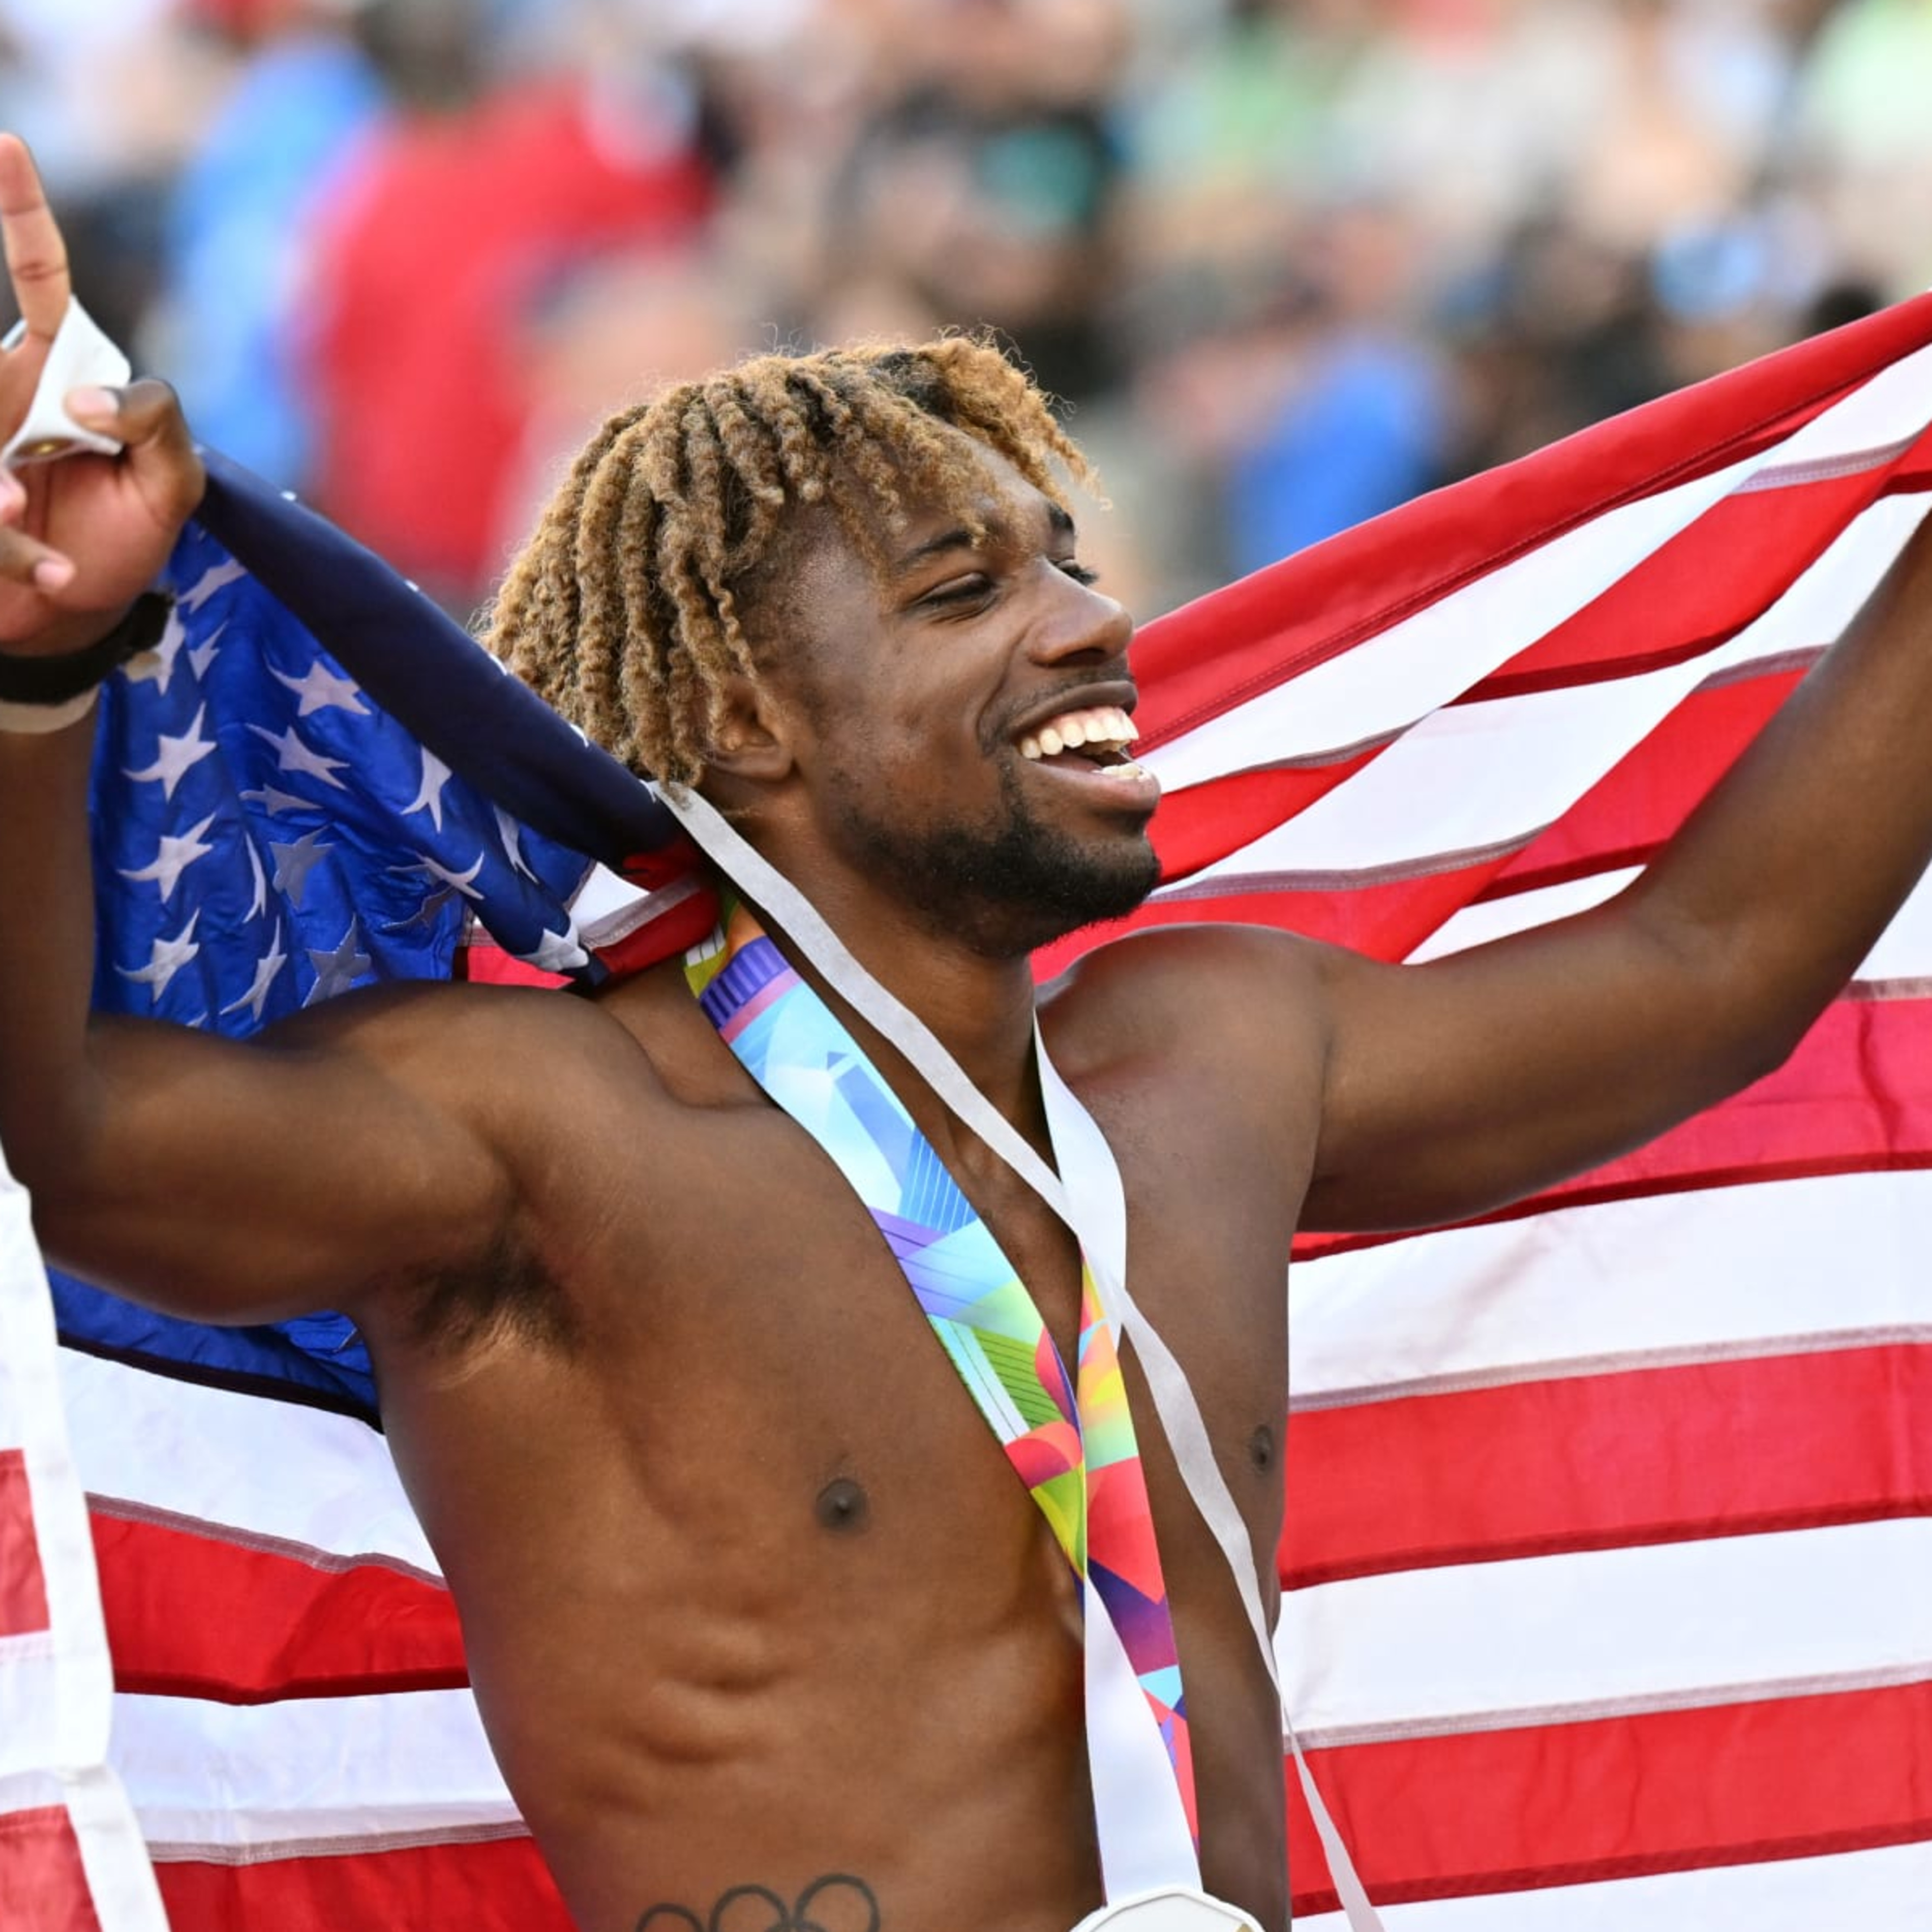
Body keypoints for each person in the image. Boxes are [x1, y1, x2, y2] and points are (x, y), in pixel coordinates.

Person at [3, 128, 1932, 1932]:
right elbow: (74, 1135)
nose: (1089, 621)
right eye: (965, 590)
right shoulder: (546, 1132)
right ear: (746, 722)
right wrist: (42, 681)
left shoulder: (1213, 1059)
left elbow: (1714, 966)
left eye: (1070, 561)